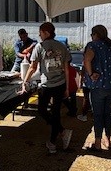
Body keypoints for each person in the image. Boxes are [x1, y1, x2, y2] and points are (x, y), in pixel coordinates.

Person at [19, 22, 72, 154]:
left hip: (46, 85)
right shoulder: (62, 46)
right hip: (60, 84)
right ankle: (59, 135)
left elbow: (32, 67)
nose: (39, 35)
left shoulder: (39, 46)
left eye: (41, 32)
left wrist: (24, 81)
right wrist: (67, 87)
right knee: (55, 113)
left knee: (42, 110)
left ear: (47, 33)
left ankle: (55, 141)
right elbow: (66, 69)